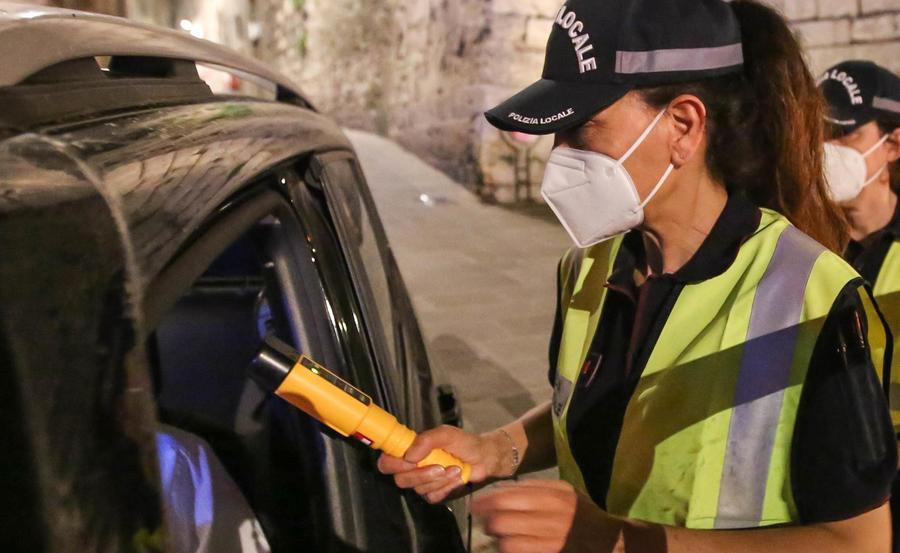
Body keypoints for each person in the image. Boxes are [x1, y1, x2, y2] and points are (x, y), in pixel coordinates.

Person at [378, 1, 897, 551]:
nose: (561, 158)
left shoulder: (812, 300)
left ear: (683, 126)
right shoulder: (585, 268)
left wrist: (621, 541)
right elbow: (607, 410)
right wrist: (497, 449)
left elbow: (857, 542)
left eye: (581, 130)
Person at [820, 59, 900, 552]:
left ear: (891, 145)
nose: (825, 151)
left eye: (842, 135)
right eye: (818, 134)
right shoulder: (791, 241)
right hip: (822, 482)